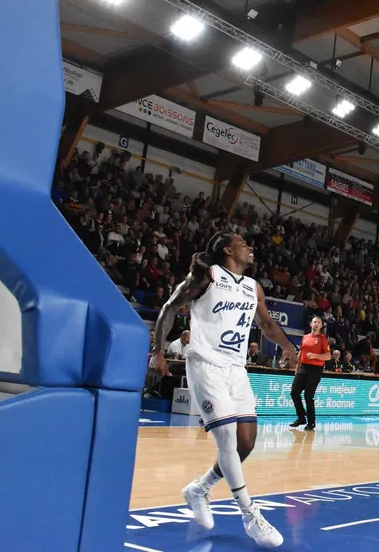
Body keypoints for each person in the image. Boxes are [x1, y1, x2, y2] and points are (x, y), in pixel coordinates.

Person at [149, 232, 297, 548]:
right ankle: (250, 515)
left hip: (236, 368)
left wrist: (288, 347)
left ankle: (199, 489)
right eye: (244, 243)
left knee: (246, 442)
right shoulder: (208, 275)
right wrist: (157, 350)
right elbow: (170, 307)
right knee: (228, 437)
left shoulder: (253, 286)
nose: (251, 246)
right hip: (205, 364)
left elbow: (267, 323)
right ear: (229, 250)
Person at [291, 315, 331, 430]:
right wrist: (297, 367)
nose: (316, 324)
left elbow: (328, 356)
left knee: (308, 396)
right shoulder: (305, 337)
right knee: (294, 392)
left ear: (321, 326)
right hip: (303, 367)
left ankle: (311, 422)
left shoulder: (323, 339)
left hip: (315, 370)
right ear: (311, 324)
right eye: (314, 322)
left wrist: (315, 356)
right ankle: (301, 417)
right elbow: (301, 353)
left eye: (319, 322)